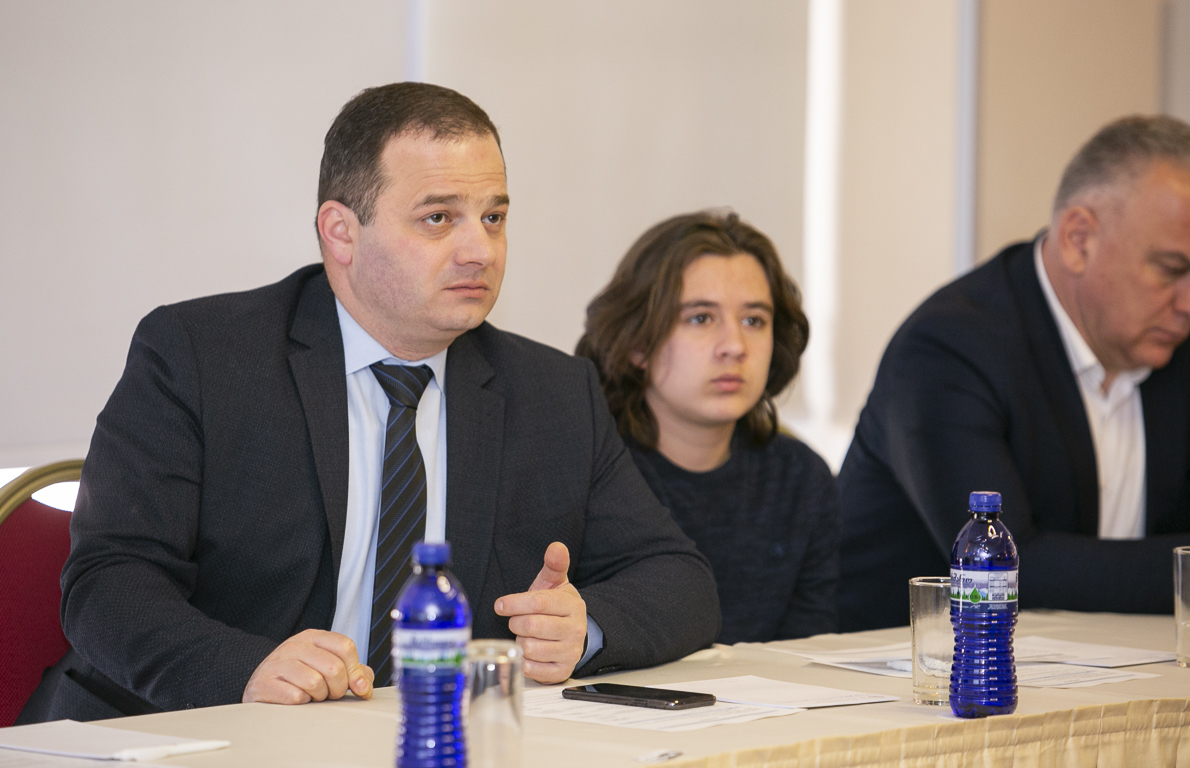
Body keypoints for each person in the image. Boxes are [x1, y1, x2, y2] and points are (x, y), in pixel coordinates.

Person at [27, 83, 719, 721]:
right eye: (438, 218)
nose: (480, 250)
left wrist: (582, 626)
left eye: (494, 216)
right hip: (187, 732)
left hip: (428, 740)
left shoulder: (552, 392)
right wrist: (245, 669)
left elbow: (679, 579)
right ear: (341, 232)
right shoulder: (200, 357)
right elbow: (109, 582)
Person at [838, 115, 1190, 631]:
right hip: (911, 670)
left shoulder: (1172, 351)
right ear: (1079, 240)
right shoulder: (947, 349)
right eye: (1171, 270)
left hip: (1112, 667)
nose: (1187, 303)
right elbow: (1008, 568)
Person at [576, 211, 840, 644]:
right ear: (637, 342)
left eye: (754, 320)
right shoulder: (590, 474)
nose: (735, 346)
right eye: (701, 318)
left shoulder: (801, 478)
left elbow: (808, 656)